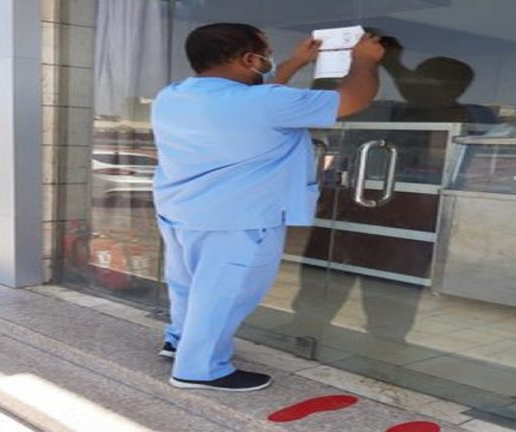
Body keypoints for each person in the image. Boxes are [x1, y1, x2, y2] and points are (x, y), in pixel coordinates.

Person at [150, 23, 385, 392]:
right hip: (239, 219)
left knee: (189, 286)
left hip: (181, 212)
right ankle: (199, 369)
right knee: (224, 294)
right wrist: (364, 60)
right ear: (249, 59)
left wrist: (296, 62)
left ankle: (179, 341)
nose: (270, 60)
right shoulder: (267, 103)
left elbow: (254, 96)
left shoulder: (173, 95)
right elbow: (354, 99)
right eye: (266, 54)